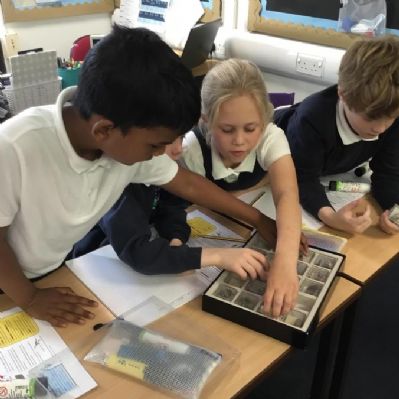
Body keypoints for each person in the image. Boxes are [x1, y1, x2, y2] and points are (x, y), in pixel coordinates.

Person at [0, 26, 276, 327]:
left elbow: (186, 183)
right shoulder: (14, 147)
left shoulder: (123, 141)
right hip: (11, 282)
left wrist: (258, 219)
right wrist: (29, 297)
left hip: (52, 269)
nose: (160, 153)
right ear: (104, 130)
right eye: (155, 145)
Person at [181, 58, 302, 317]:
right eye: (226, 129)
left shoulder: (271, 136)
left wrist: (285, 260)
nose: (239, 141)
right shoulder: (192, 149)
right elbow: (195, 200)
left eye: (250, 128)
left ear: (264, 120)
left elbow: (287, 194)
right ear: (206, 121)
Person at [72, 136, 267, 279]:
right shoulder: (120, 186)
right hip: (94, 263)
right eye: (167, 140)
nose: (178, 149)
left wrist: (176, 237)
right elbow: (139, 253)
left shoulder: (160, 172)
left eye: (181, 138)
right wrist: (216, 255)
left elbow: (171, 205)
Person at [275, 36, 399, 235]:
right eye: (370, 118)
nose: (381, 128)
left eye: (390, 118)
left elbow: (388, 174)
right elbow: (301, 178)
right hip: (276, 151)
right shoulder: (311, 120)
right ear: (343, 94)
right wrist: (332, 218)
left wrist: (393, 210)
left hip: (324, 168)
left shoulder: (392, 112)